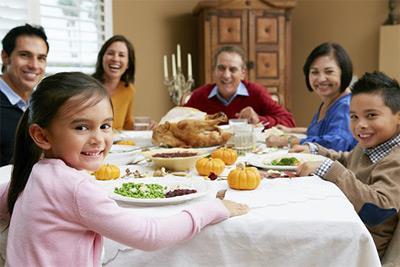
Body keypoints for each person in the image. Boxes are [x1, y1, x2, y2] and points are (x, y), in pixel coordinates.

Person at [0, 72, 248, 266]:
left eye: (106, 126)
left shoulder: (34, 173)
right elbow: (149, 235)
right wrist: (211, 209)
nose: (98, 138)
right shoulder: (73, 187)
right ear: (41, 136)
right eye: (81, 127)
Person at [295, 71, 400, 258]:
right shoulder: (370, 144)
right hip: (346, 227)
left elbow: (379, 210)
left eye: (371, 115)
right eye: (354, 117)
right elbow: (347, 159)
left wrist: (330, 170)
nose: (361, 124)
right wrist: (316, 152)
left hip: (364, 251)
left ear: (398, 117)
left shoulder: (395, 160)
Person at [266, 42, 357, 151]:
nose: (321, 78)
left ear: (344, 72)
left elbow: (337, 143)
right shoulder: (329, 101)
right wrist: (290, 130)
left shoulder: (346, 105)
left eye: (329, 72)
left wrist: (288, 140)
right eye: (315, 72)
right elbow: (320, 132)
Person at [185, 45, 295, 128]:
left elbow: (289, 121)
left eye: (233, 69)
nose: (226, 75)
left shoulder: (256, 93)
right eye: (221, 68)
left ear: (243, 73)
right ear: (214, 70)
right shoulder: (199, 95)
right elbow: (178, 123)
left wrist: (258, 119)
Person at [0, 24, 48, 166]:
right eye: (24, 55)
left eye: (41, 58)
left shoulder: (42, 103)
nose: (34, 65)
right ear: (5, 57)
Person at [93, 35, 146, 130]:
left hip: (117, 144)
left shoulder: (128, 90)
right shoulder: (87, 87)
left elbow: (127, 123)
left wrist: (146, 126)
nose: (115, 59)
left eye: (121, 55)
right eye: (110, 53)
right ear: (102, 58)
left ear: (128, 64)